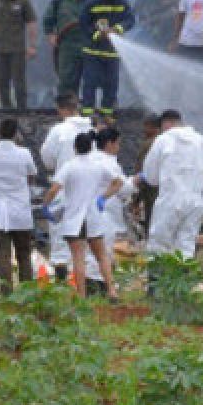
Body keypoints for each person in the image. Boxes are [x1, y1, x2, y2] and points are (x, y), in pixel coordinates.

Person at [43, 132, 123, 300]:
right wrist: (104, 197)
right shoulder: (99, 166)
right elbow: (118, 182)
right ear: (91, 147)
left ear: (75, 148)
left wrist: (46, 205)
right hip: (93, 215)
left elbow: (54, 189)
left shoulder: (69, 166)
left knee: (78, 258)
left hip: (74, 218)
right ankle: (111, 290)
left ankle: (81, 295)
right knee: (102, 255)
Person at [0, 118, 38, 293]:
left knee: (2, 254)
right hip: (20, 211)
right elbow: (32, 174)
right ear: (16, 134)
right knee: (24, 254)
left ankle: (6, 294)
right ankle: (28, 293)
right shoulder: (24, 153)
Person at [142, 110, 203, 258]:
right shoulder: (202, 141)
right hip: (195, 201)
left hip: (170, 198)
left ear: (165, 124)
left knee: (159, 245)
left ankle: (158, 279)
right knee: (186, 245)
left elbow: (151, 178)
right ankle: (181, 278)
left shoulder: (163, 140)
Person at [39, 92, 93, 280]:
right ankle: (87, 281)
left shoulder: (59, 131)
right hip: (90, 189)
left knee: (61, 234)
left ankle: (63, 278)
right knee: (88, 235)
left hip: (64, 187)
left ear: (61, 109)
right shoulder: (92, 127)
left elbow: (47, 158)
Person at [79, 0, 135, 119]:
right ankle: (87, 117)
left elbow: (130, 20)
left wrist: (117, 29)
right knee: (90, 85)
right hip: (93, 53)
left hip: (112, 53)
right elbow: (84, 24)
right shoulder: (91, 3)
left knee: (111, 86)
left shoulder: (122, 3)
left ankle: (107, 116)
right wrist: (98, 34)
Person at [88, 127, 134, 296]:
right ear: (109, 144)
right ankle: (101, 288)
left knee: (88, 252)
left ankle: (89, 287)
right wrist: (136, 181)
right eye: (117, 143)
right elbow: (123, 189)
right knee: (102, 252)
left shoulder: (89, 158)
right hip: (105, 213)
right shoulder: (110, 163)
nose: (119, 147)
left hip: (87, 212)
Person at [42, 0, 94, 95]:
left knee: (91, 82)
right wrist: (51, 35)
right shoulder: (59, 2)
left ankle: (87, 111)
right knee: (67, 82)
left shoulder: (94, 3)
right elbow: (48, 20)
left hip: (89, 47)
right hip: (67, 48)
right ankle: (68, 110)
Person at [135, 112, 162, 234]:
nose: (143, 129)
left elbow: (142, 171)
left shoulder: (150, 144)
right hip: (164, 191)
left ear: (153, 127)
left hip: (151, 192)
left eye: (146, 126)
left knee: (151, 225)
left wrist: (136, 198)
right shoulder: (166, 142)